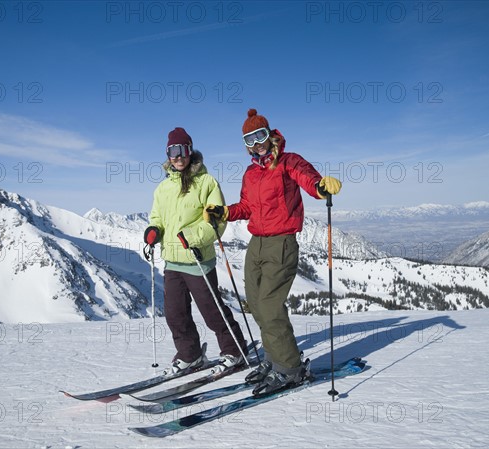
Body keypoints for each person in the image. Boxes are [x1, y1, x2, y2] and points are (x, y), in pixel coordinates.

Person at [205, 109, 342, 395]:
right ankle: (273, 358)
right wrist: (225, 211)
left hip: (281, 242)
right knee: (255, 303)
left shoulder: (288, 162)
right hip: (256, 244)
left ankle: (290, 368)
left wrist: (319, 187)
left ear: (270, 135)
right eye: (249, 139)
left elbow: (307, 178)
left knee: (269, 305)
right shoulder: (251, 173)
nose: (256, 143)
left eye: (260, 136)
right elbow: (247, 207)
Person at [144, 127, 248, 374]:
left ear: (190, 151)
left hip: (197, 259)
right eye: (172, 151)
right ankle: (190, 355)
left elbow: (217, 221)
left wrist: (192, 237)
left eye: (182, 150)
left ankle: (235, 352)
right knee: (175, 315)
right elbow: (157, 216)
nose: (178, 156)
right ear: (167, 155)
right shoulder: (162, 189)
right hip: (171, 261)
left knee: (212, 312)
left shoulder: (207, 182)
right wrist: (153, 230)